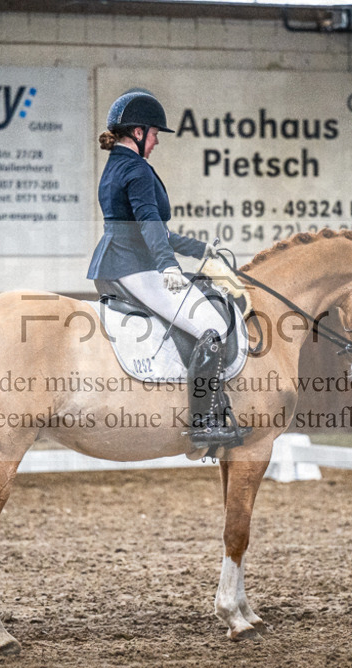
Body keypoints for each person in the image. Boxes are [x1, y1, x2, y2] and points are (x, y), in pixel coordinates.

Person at [88, 90, 247, 449]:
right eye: (155, 133)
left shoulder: (117, 165)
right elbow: (148, 223)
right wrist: (168, 265)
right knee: (212, 327)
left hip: (117, 262)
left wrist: (199, 249)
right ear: (139, 132)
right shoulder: (137, 169)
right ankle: (204, 422)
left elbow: (146, 227)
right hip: (136, 267)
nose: (158, 140)